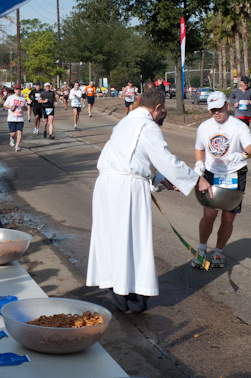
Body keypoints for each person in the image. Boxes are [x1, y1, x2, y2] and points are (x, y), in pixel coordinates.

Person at [87, 85, 212, 313]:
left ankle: (119, 294)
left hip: (107, 185)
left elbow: (134, 157)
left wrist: (159, 178)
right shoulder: (147, 126)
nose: (162, 118)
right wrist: (197, 180)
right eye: (163, 113)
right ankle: (133, 296)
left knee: (114, 240)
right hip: (126, 189)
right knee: (131, 240)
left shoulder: (125, 122)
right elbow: (165, 159)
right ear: (158, 108)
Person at [192, 91, 251, 269]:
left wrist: (242, 154)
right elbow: (199, 148)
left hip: (235, 174)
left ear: (227, 106)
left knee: (228, 218)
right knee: (209, 214)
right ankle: (202, 249)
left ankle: (218, 251)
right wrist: (199, 163)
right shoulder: (204, 127)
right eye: (212, 110)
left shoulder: (239, 126)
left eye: (219, 109)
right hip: (213, 173)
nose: (216, 113)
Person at [3, 83, 26, 151]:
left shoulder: (23, 99)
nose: (18, 90)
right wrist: (11, 107)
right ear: (14, 90)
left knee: (19, 132)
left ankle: (17, 145)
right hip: (11, 118)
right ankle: (12, 138)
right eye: (16, 89)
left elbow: (26, 109)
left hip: (20, 118)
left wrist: (24, 106)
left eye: (19, 89)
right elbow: (5, 105)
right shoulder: (10, 97)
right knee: (13, 133)